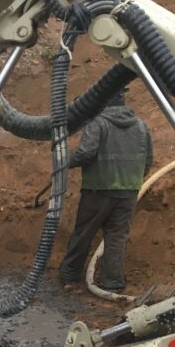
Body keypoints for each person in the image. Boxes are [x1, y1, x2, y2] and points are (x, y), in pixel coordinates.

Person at [59, 90, 153, 293]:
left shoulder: (98, 122)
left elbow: (86, 152)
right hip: (129, 191)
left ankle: (70, 277)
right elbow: (148, 160)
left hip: (98, 189)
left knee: (84, 233)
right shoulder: (141, 126)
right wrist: (133, 181)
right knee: (116, 237)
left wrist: (67, 161)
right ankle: (113, 282)